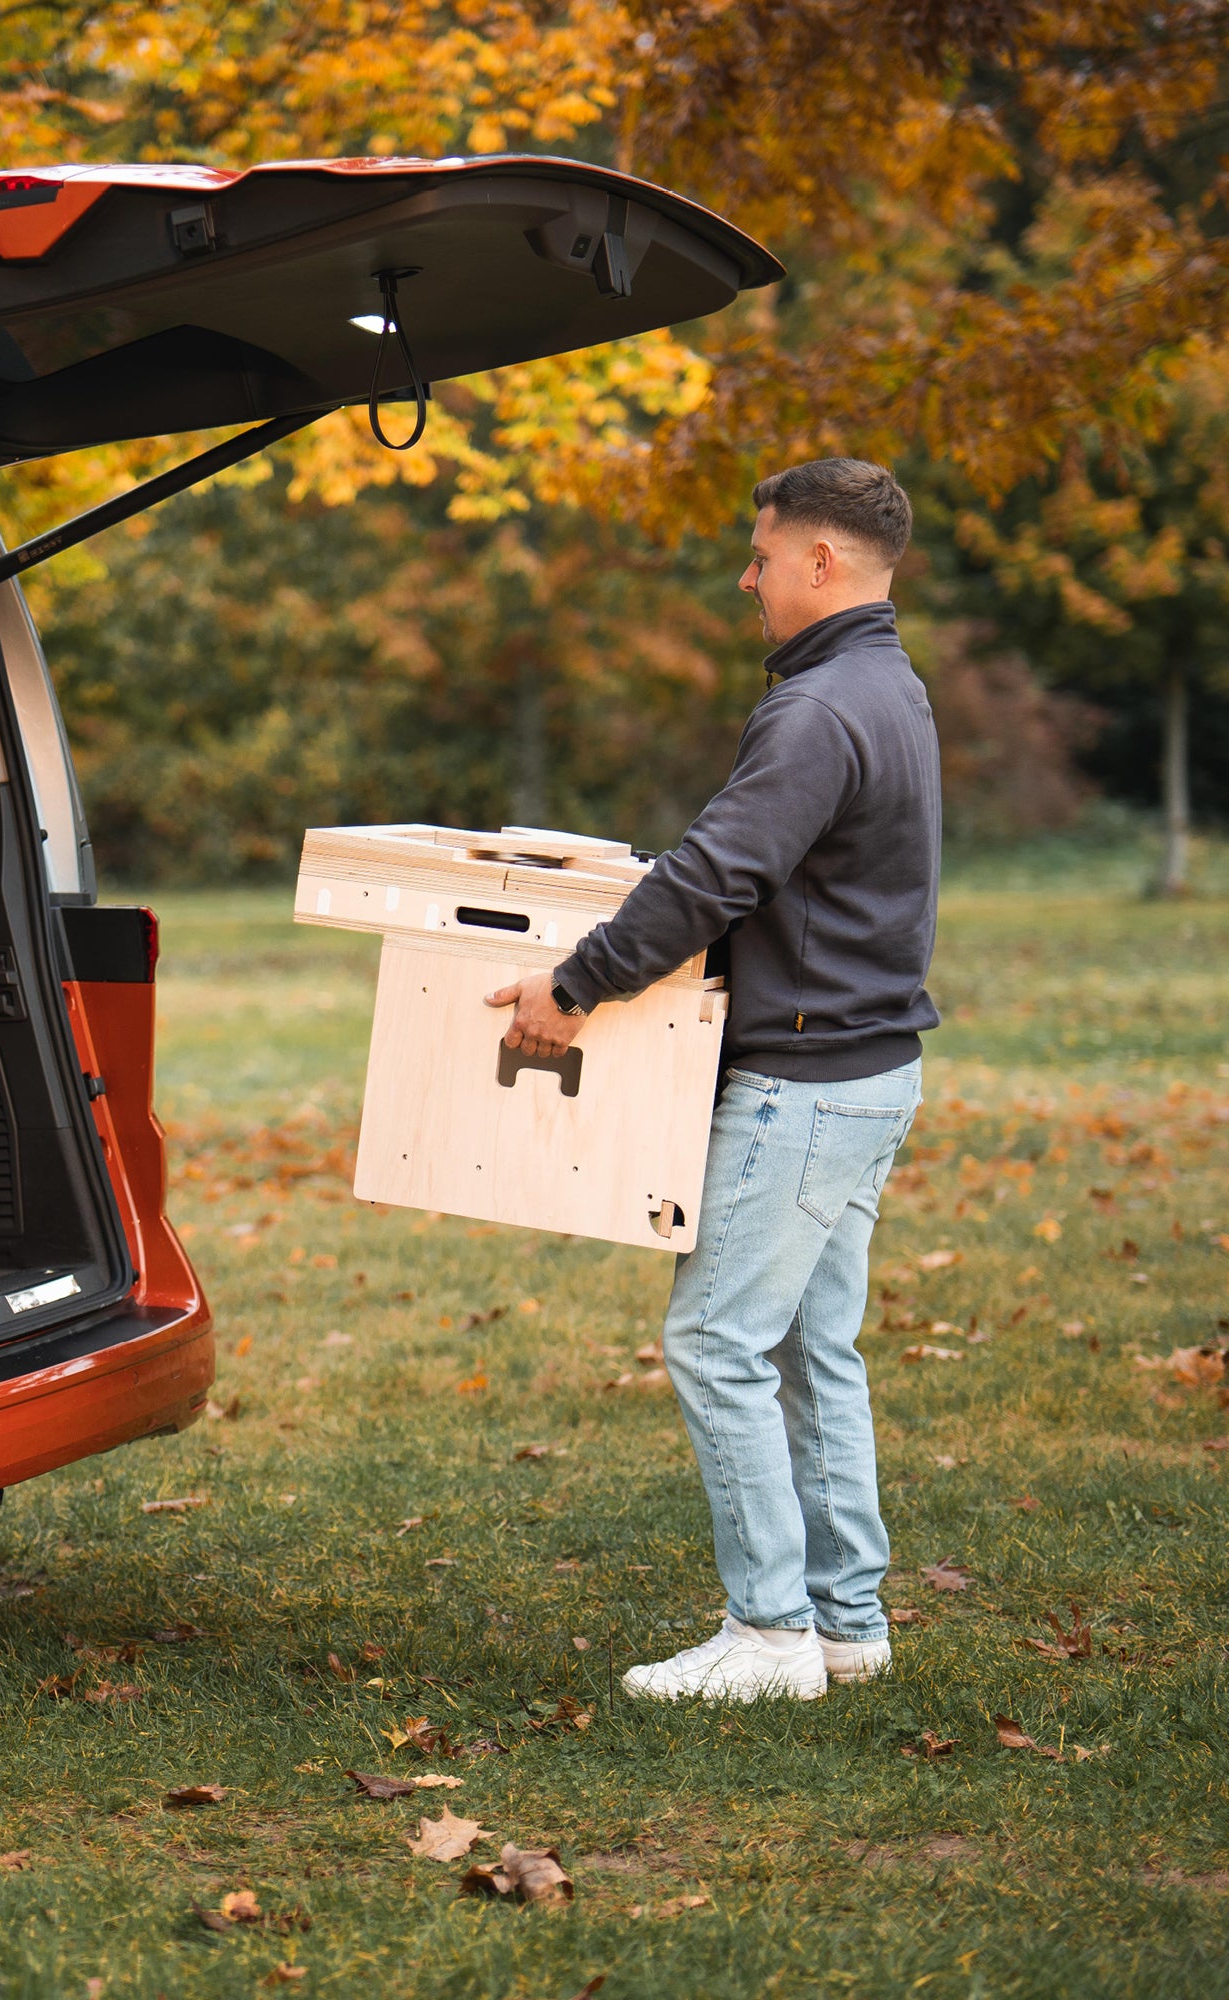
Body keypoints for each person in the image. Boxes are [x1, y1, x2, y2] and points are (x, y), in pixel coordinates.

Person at [485, 458, 939, 1702]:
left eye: (757, 554)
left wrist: (572, 985)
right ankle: (846, 1624)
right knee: (806, 1349)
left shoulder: (814, 709)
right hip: (865, 1070)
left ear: (818, 563)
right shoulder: (884, 684)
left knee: (715, 1342)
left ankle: (768, 1635)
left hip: (803, 1084)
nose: (744, 578)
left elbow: (712, 873)